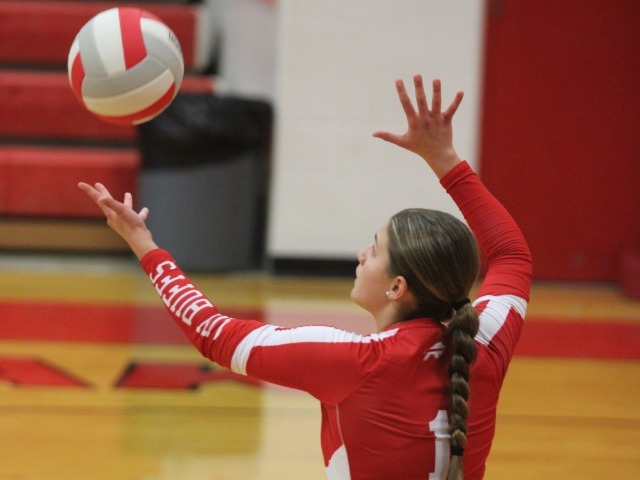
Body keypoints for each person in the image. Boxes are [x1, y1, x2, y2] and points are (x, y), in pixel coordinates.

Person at [79, 75, 532, 480]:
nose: (361, 254)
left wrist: (144, 245)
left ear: (398, 287)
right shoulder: (486, 344)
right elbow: (512, 254)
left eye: (374, 250)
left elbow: (212, 333)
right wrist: (446, 160)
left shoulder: (354, 362)